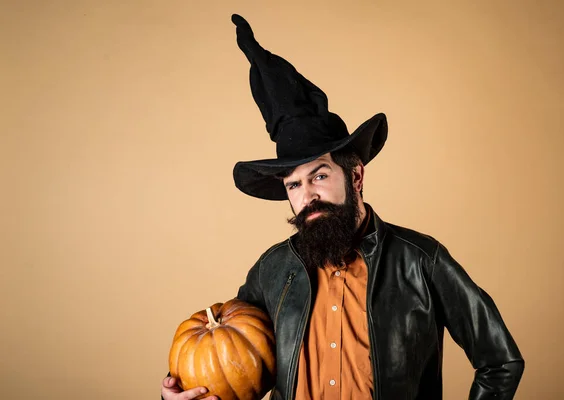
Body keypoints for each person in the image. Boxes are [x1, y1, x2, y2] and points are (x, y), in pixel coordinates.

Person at [161, 14, 524, 400]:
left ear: (355, 177)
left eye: (319, 176)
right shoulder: (271, 271)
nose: (307, 196)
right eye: (294, 185)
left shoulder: (420, 261)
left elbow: (500, 361)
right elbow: (232, 361)